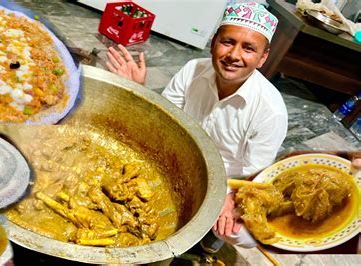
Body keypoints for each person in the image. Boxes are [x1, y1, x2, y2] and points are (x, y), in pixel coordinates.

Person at [106, 2, 287, 249]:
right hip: (178, 160)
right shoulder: (192, 70)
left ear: (262, 58)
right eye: (227, 42)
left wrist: (230, 197)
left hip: (225, 184)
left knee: (243, 234)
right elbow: (163, 124)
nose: (234, 55)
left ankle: (208, 239)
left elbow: (255, 173)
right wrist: (139, 91)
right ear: (213, 42)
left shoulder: (271, 110)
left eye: (248, 48)